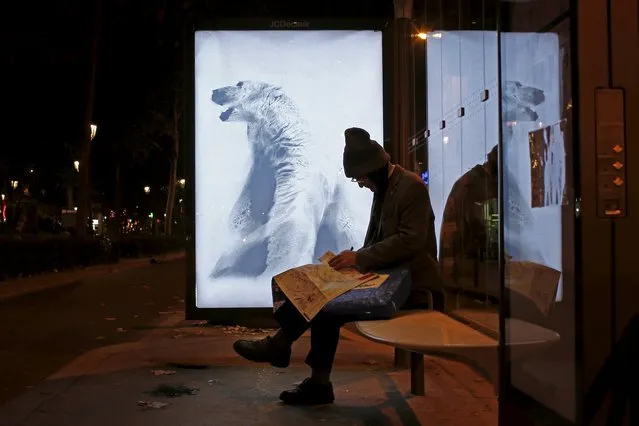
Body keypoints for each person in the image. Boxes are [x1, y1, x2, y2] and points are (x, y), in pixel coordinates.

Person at [233, 127, 444, 405]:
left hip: (410, 283)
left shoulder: (411, 187)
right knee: (316, 286)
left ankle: (291, 356)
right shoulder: (387, 188)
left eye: (361, 178)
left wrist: (360, 259)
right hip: (389, 275)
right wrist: (354, 257)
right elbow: (386, 241)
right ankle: (293, 358)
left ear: (375, 169)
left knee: (326, 305)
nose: (361, 184)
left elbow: (410, 241)